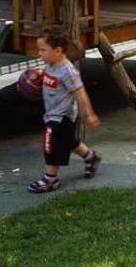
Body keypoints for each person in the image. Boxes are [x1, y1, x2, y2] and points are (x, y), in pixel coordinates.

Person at [28, 26, 102, 193]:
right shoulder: (51, 64)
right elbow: (46, 72)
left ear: (58, 50)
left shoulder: (68, 71)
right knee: (67, 141)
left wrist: (89, 114)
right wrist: (38, 73)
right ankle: (91, 157)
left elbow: (80, 92)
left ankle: (50, 179)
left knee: (50, 145)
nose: (39, 53)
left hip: (61, 116)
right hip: (51, 113)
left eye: (42, 50)